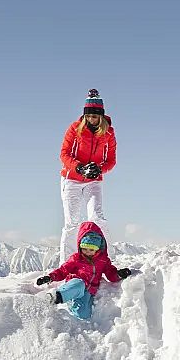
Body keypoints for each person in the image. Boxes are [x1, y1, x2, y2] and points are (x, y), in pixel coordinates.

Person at [58, 89, 117, 262]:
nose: (91, 120)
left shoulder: (108, 133)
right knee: (72, 223)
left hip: (93, 181)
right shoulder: (75, 129)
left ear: (101, 116)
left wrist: (100, 169)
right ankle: (66, 264)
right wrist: (80, 168)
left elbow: (111, 160)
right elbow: (64, 154)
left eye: (95, 117)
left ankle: (107, 261)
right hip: (72, 179)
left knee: (97, 218)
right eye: (88, 116)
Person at [36, 222, 131, 320]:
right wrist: (50, 277)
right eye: (84, 249)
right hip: (76, 284)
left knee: (84, 315)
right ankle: (54, 297)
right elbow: (63, 270)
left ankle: (71, 303)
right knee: (79, 284)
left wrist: (119, 275)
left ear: (98, 249)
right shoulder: (76, 258)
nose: (87, 252)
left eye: (91, 249)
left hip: (89, 290)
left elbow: (111, 274)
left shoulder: (103, 261)